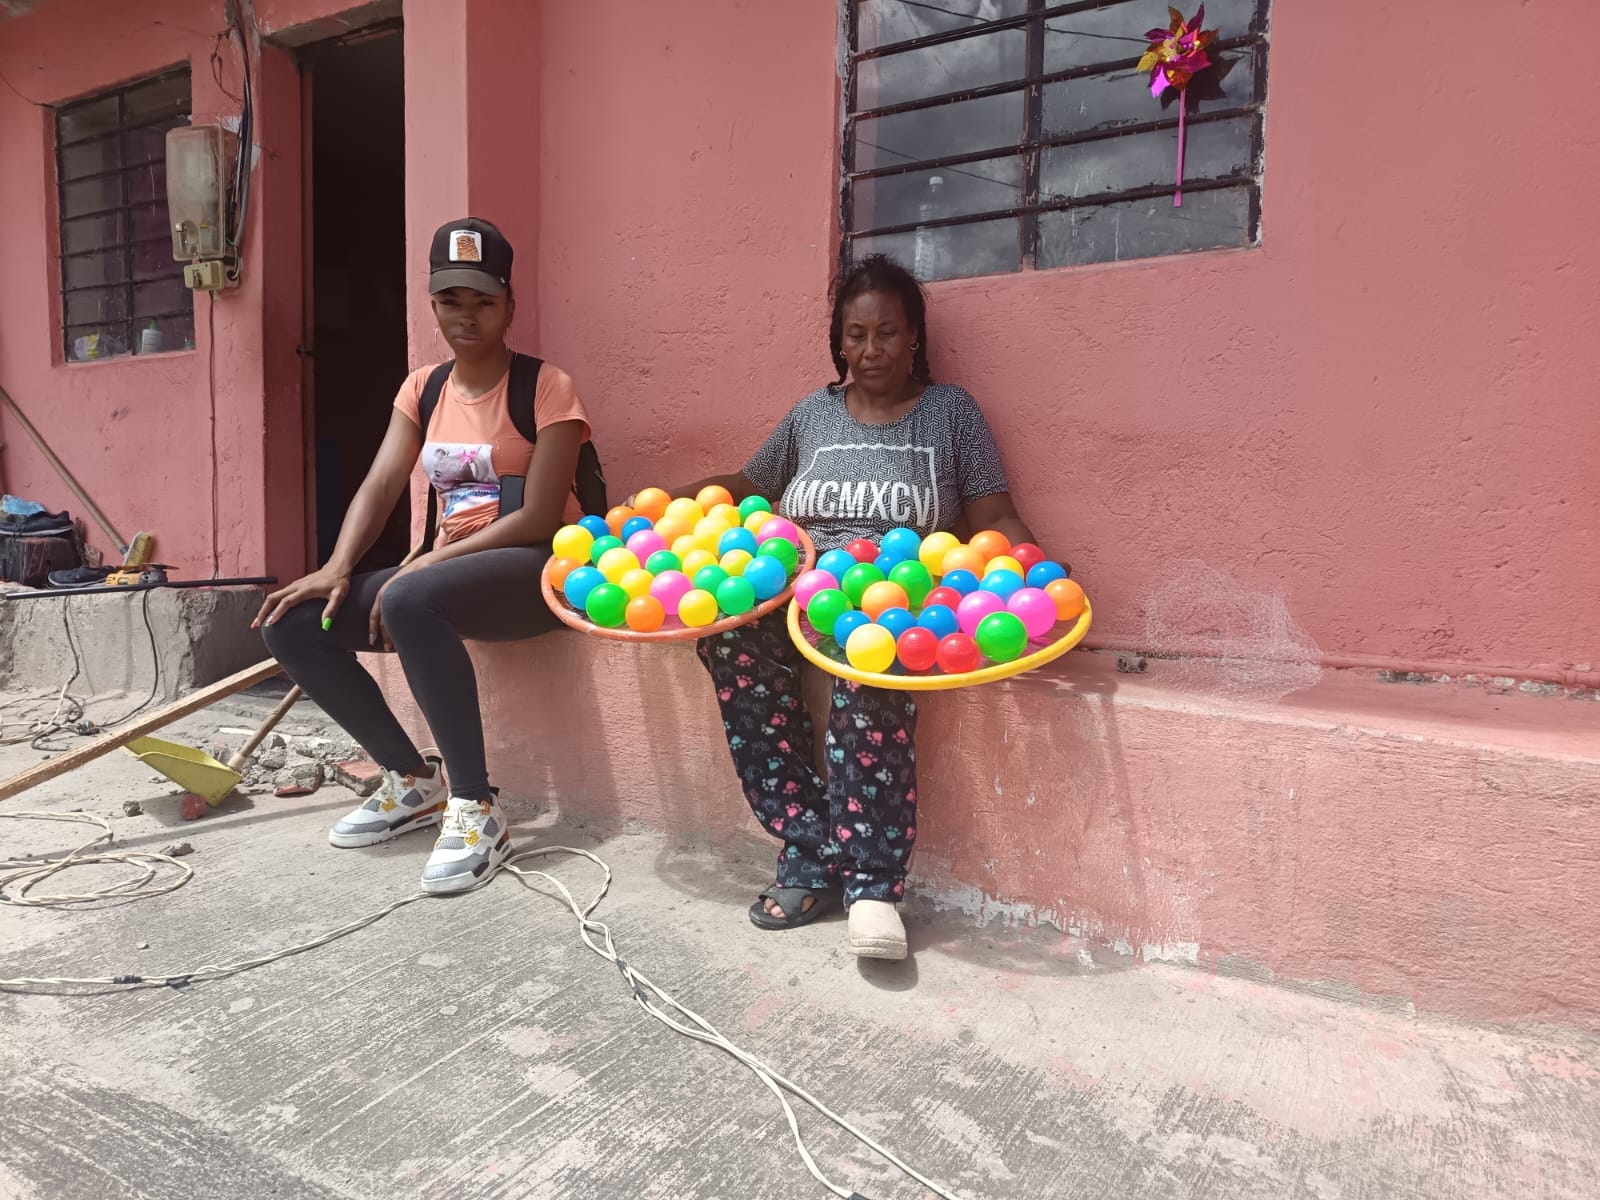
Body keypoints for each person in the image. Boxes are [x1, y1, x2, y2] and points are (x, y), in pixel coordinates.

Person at [652, 255, 1035, 960]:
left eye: (887, 333)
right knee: (731, 645)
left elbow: (994, 514)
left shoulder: (953, 413)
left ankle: (872, 884)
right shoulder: (813, 414)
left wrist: (1035, 574)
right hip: (796, 588)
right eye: (855, 336)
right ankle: (809, 848)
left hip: (891, 597)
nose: (871, 350)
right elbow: (749, 484)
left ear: (914, 336)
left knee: (868, 669)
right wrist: (664, 505)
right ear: (839, 342)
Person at [256, 217, 591, 893]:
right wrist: (336, 568)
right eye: (450, 300)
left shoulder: (545, 386)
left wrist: (422, 566)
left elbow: (539, 516)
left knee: (410, 594)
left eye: (483, 301)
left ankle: (476, 807)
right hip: (445, 580)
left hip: (540, 569)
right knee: (291, 623)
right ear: (433, 304)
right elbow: (382, 482)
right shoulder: (423, 388)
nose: (466, 316)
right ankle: (412, 780)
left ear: (510, 306)